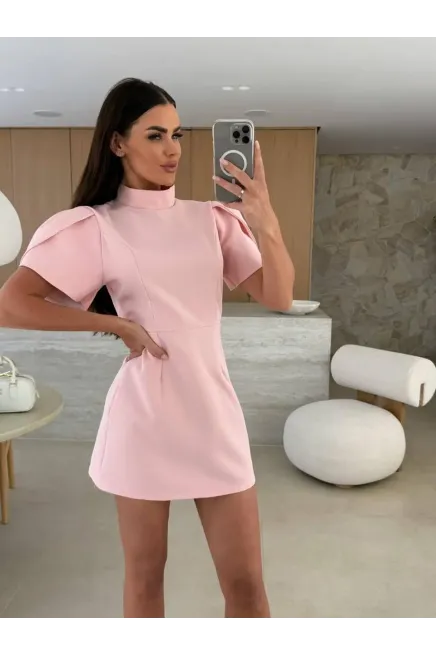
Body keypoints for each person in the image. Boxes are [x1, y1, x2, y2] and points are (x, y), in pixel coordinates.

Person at [0, 78, 295, 623]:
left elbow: (278, 296)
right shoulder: (96, 226)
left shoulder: (213, 219)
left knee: (247, 586)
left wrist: (267, 224)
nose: (172, 149)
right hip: (143, 421)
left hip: (213, 417)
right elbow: (10, 304)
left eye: (177, 135)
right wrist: (116, 325)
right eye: (155, 135)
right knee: (144, 579)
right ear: (118, 143)